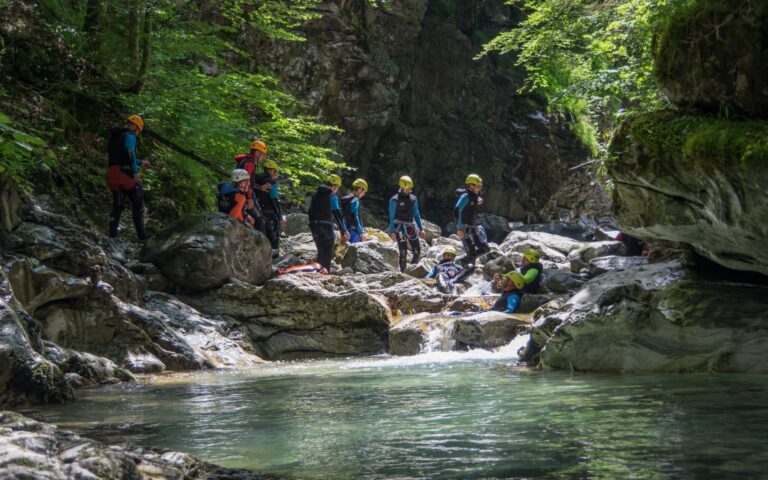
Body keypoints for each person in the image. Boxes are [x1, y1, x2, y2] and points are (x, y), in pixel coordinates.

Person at [106, 114, 149, 240]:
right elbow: (129, 151)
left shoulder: (115, 136)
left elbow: (121, 156)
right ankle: (142, 237)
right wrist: (135, 172)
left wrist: (141, 162)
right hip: (124, 175)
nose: (138, 134)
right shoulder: (130, 135)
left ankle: (111, 235)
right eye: (138, 131)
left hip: (112, 174)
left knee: (118, 205)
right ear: (135, 127)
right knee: (139, 199)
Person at [309, 174, 349, 271]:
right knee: (327, 253)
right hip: (326, 227)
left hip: (314, 226)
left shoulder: (315, 195)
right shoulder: (332, 196)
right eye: (338, 187)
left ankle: (318, 271)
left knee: (321, 251)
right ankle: (324, 273)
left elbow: (310, 211)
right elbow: (336, 213)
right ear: (335, 186)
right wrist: (343, 230)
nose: (337, 190)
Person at [389, 175, 425, 272]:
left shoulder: (413, 199)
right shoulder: (394, 200)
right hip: (399, 227)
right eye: (407, 189)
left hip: (410, 225)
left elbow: (416, 214)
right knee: (403, 252)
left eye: (410, 188)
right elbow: (391, 217)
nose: (409, 190)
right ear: (402, 187)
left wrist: (421, 228)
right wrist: (392, 231)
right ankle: (403, 273)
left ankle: (413, 270)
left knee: (417, 251)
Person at [454, 173, 490, 265]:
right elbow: (457, 210)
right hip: (464, 230)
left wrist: (475, 225)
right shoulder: (465, 197)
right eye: (477, 186)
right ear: (470, 185)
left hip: (473, 228)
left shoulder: (473, 196)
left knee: (485, 249)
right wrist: (459, 229)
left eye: (480, 186)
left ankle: (461, 261)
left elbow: (471, 212)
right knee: (472, 256)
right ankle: (462, 264)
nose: (479, 188)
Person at [234, 139, 268, 234]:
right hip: (245, 195)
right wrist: (249, 198)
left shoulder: (245, 160)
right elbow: (247, 182)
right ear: (257, 153)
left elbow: (248, 181)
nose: (263, 157)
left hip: (240, 193)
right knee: (260, 220)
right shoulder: (249, 163)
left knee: (248, 219)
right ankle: (263, 246)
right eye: (263, 154)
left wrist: (260, 187)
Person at [253, 160, 284, 257]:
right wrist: (280, 217)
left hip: (257, 212)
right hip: (269, 213)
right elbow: (274, 200)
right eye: (275, 171)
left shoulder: (255, 181)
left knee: (262, 237)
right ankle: (274, 261)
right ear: (272, 171)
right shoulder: (271, 182)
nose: (276, 174)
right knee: (273, 238)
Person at [341, 178, 368, 243]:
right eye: (364, 192)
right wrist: (361, 233)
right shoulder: (355, 200)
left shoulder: (346, 199)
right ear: (360, 189)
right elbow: (355, 217)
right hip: (353, 232)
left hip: (345, 231)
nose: (364, 194)